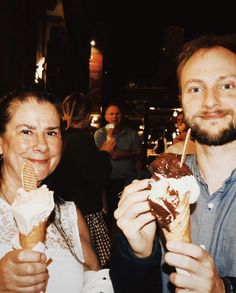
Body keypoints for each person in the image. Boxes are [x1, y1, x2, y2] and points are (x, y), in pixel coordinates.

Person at [109, 34, 236, 293]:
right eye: (195, 89)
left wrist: (224, 289)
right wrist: (140, 256)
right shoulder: (153, 187)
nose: (210, 101)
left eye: (227, 86)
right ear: (182, 101)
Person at [0, 87, 113, 292]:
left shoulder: (70, 216)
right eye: (26, 131)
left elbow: (95, 281)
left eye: (51, 133)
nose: (42, 145)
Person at [48, 92, 114, 268]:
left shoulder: (61, 136)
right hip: (84, 208)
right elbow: (96, 174)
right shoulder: (83, 139)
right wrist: (105, 152)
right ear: (86, 116)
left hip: (62, 205)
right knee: (94, 260)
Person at [94, 102, 143, 234]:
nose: (115, 116)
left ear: (123, 116)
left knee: (128, 216)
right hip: (107, 182)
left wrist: (138, 178)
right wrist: (132, 152)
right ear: (106, 117)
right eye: (111, 114)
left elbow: (138, 158)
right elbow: (112, 155)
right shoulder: (100, 134)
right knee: (109, 216)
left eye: (118, 113)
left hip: (128, 180)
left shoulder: (132, 134)